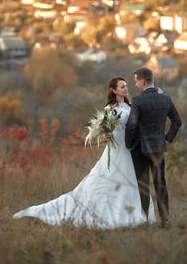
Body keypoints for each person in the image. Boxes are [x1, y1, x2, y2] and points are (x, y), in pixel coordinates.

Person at [13, 77, 156, 229]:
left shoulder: (130, 106)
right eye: (122, 87)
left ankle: (132, 213)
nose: (126, 89)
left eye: (126, 86)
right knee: (111, 178)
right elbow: (104, 129)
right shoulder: (109, 109)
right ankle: (110, 214)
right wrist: (105, 134)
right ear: (114, 90)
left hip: (129, 148)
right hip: (116, 147)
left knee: (130, 180)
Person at [125, 68, 182, 229]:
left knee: (143, 184)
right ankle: (165, 220)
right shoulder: (166, 98)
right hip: (158, 148)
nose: (135, 84)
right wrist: (167, 139)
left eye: (136, 81)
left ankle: (144, 221)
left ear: (143, 81)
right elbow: (177, 121)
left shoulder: (137, 100)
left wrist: (128, 144)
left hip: (140, 149)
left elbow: (131, 125)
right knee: (160, 183)